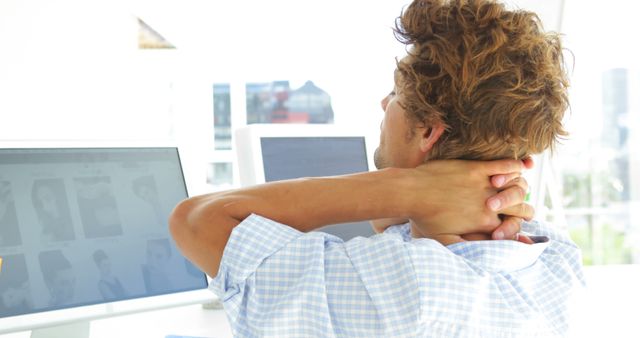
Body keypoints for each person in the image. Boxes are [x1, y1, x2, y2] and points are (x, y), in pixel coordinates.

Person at [169, 0, 584, 336]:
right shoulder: (557, 261)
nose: (385, 105)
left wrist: (407, 189)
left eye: (395, 93)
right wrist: (411, 210)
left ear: (427, 130)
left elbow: (197, 220)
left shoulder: (384, 286)